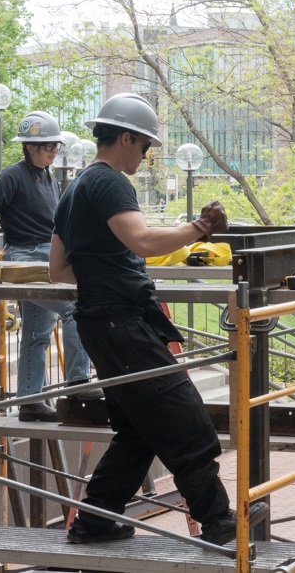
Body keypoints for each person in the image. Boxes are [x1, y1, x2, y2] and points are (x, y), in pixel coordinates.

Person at [50, 92, 268, 545]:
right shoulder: (109, 182)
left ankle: (92, 522)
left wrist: (104, 274)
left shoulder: (72, 190)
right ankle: (219, 520)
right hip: (122, 324)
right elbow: (144, 241)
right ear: (125, 137)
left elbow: (59, 269)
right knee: (185, 420)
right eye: (145, 145)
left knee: (138, 431)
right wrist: (201, 228)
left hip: (101, 322)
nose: (145, 155)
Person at [0, 110, 95, 422]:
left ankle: (30, 401)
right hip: (25, 257)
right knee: (76, 310)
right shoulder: (12, 176)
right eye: (48, 147)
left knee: (36, 332)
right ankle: (79, 384)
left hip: (46, 256)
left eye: (56, 147)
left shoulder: (47, 179)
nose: (54, 152)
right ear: (30, 148)